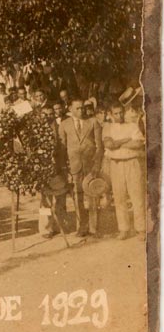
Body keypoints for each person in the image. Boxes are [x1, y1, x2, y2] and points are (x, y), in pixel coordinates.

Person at [58, 99, 104, 237]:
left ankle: (94, 228)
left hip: (90, 166)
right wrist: (65, 168)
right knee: (77, 197)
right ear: (70, 109)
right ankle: (81, 227)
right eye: (77, 108)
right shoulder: (64, 124)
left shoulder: (93, 122)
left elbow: (99, 146)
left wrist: (96, 165)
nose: (81, 111)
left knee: (93, 196)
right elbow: (62, 148)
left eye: (83, 108)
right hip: (74, 166)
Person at [103, 104, 146, 240]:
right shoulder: (108, 128)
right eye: (116, 113)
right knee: (119, 198)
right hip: (116, 164)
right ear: (111, 114)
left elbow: (138, 144)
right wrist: (127, 140)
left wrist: (118, 144)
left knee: (137, 196)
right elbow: (109, 145)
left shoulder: (132, 126)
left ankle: (141, 229)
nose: (119, 116)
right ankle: (124, 229)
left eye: (121, 113)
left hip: (132, 163)